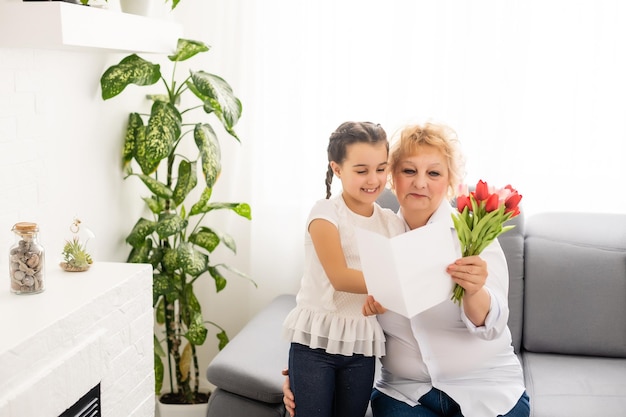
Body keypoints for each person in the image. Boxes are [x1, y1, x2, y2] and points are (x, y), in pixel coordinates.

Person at [283, 121, 530, 417]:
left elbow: (491, 327)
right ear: (393, 178)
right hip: (406, 392)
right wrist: (304, 375)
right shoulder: (378, 235)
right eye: (409, 171)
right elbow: (330, 306)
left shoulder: (472, 236)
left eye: (434, 173)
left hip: (486, 387)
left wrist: (474, 290)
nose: (420, 183)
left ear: (450, 181)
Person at [281, 121, 406, 417]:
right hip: (314, 343)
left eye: (381, 168)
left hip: (361, 344)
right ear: (337, 169)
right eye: (361, 170)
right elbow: (339, 277)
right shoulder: (325, 213)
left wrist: (390, 293)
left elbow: (398, 289)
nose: (373, 179)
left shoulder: (391, 223)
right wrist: (396, 282)